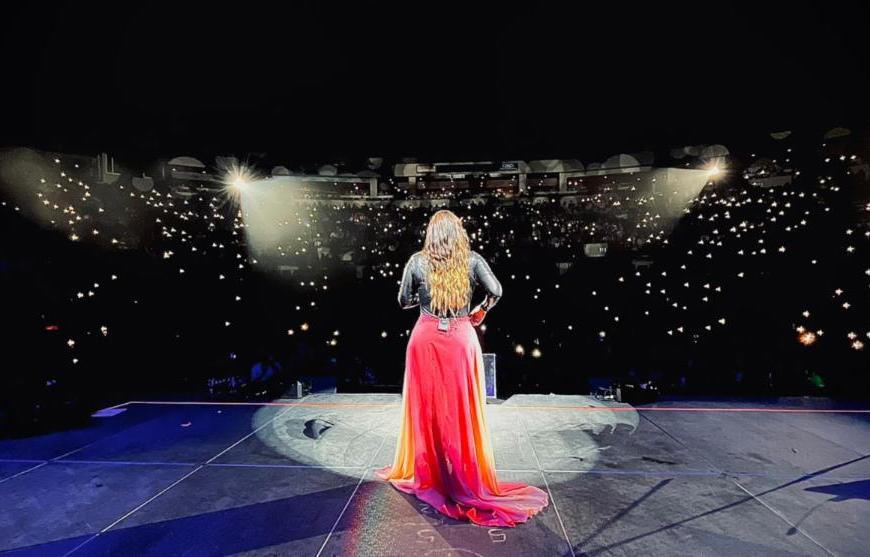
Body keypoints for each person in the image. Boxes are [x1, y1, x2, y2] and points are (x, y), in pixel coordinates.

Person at [375, 209, 549, 527]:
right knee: (459, 409)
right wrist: (480, 310)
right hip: (460, 338)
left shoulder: (417, 261)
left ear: (431, 233)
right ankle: (462, 476)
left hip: (425, 337)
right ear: (458, 233)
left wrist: (424, 301)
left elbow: (402, 301)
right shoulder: (472, 261)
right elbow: (496, 291)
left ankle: (431, 474)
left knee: (426, 410)